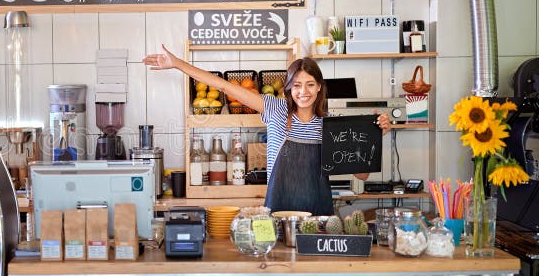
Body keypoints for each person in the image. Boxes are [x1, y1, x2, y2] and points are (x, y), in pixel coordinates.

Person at [143, 46, 391, 214]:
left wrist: (373, 139)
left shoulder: (332, 126)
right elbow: (223, 86)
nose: (302, 92)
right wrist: (176, 64)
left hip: (319, 216)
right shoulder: (275, 109)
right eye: (296, 86)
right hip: (278, 212)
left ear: (318, 88)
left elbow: (362, 176)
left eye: (309, 85)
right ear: (288, 89)